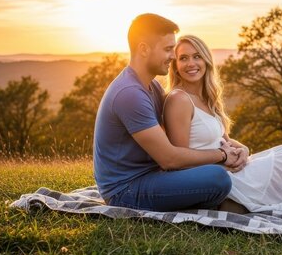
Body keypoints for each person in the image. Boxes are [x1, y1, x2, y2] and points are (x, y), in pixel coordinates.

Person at [93, 14, 242, 212]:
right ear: (144, 49)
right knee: (218, 178)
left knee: (214, 175)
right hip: (125, 191)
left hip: (152, 177)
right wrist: (222, 155)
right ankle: (220, 203)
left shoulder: (152, 86)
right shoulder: (129, 94)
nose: (173, 56)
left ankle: (218, 200)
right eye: (168, 49)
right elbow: (169, 159)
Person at [163, 34, 282, 213]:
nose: (191, 63)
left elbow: (224, 139)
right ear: (176, 67)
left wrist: (244, 149)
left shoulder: (205, 98)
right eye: (183, 58)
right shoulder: (179, 99)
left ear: (206, 61)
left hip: (230, 168)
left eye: (197, 56)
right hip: (217, 177)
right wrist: (222, 159)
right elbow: (180, 160)